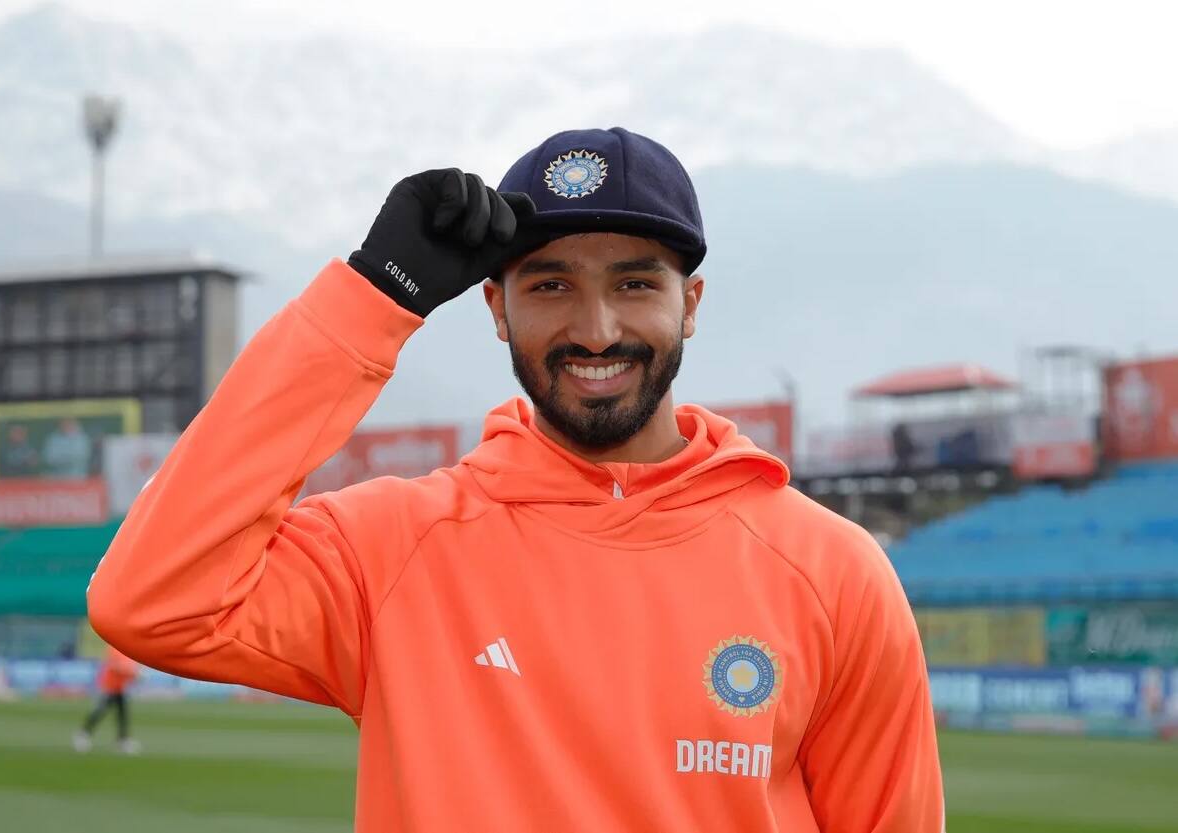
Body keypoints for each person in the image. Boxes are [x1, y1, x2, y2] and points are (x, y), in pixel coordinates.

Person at [88, 128, 943, 830]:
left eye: (635, 283)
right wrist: (371, 299)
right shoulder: (391, 549)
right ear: (497, 309)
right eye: (551, 285)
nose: (596, 328)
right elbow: (150, 599)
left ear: (690, 303)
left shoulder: (831, 570)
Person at [73, 645, 140, 754]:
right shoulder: (115, 648)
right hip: (110, 686)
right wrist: (132, 673)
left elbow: (130, 666)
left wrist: (134, 674)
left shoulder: (127, 649)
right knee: (101, 711)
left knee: (122, 714)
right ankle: (83, 734)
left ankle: (122, 740)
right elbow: (117, 666)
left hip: (120, 687)